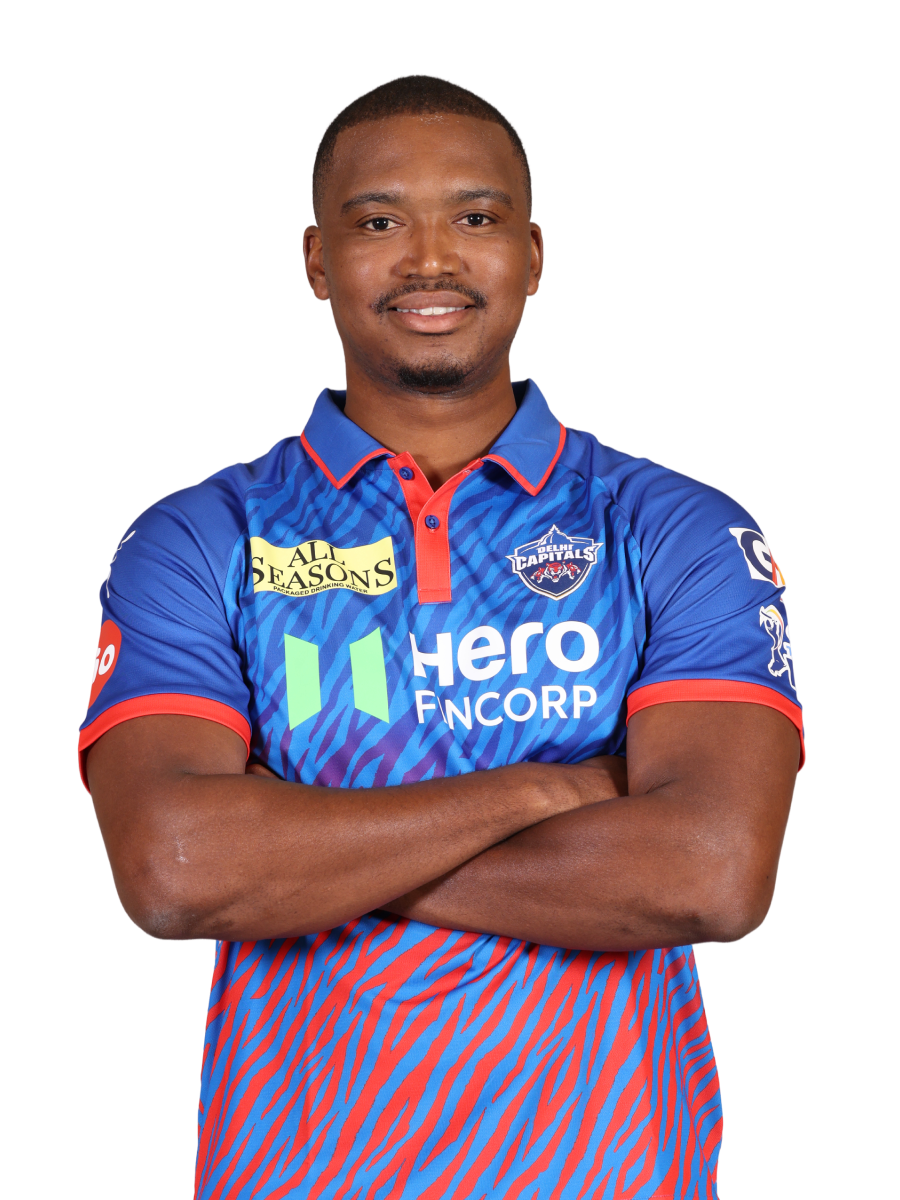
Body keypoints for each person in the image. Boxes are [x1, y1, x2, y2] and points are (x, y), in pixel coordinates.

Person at [80, 75, 802, 1199]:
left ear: (533, 255)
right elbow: (176, 872)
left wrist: (303, 850)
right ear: (317, 261)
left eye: (475, 216)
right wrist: (546, 790)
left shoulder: (678, 529)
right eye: (378, 222)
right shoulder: (199, 536)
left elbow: (711, 875)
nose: (429, 260)